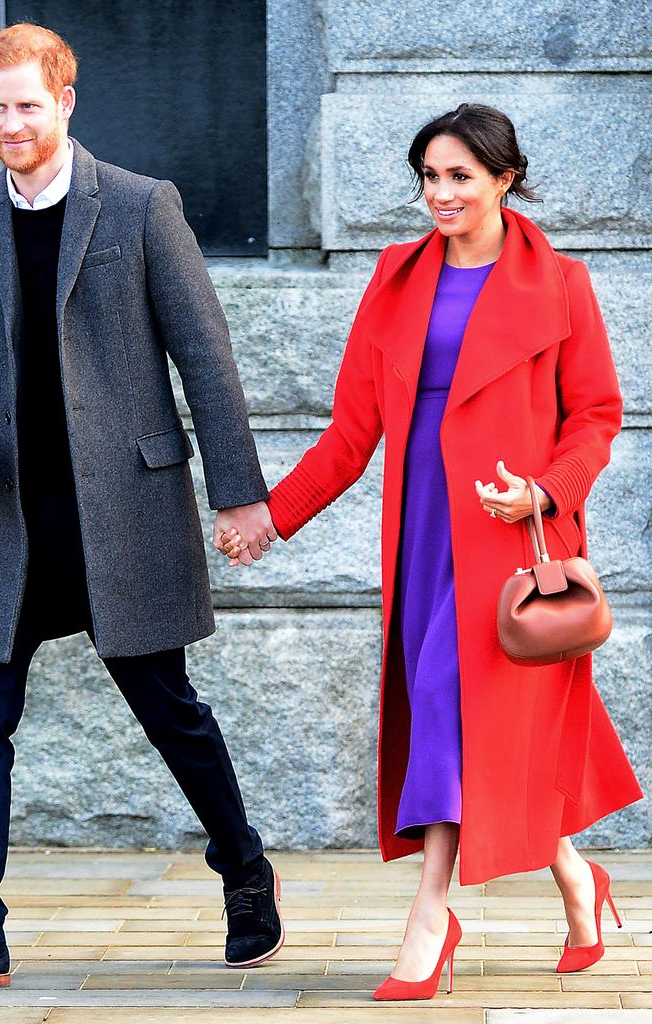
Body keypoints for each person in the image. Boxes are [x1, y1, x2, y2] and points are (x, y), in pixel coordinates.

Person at [0, 22, 282, 994]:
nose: (12, 123)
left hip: (125, 511)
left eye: (29, 104)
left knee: (168, 708)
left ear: (66, 101)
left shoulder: (143, 208)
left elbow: (205, 354)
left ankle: (244, 869)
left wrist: (238, 493)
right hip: (10, 519)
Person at [222, 104, 643, 1001]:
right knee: (473, 728)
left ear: (505, 179)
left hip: (511, 539)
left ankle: (429, 914)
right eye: (428, 176)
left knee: (454, 708)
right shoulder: (395, 277)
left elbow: (597, 418)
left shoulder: (562, 284)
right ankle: (577, 877)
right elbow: (352, 429)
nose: (439, 193)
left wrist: (544, 490)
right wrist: (274, 515)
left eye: (459, 175)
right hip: (423, 536)